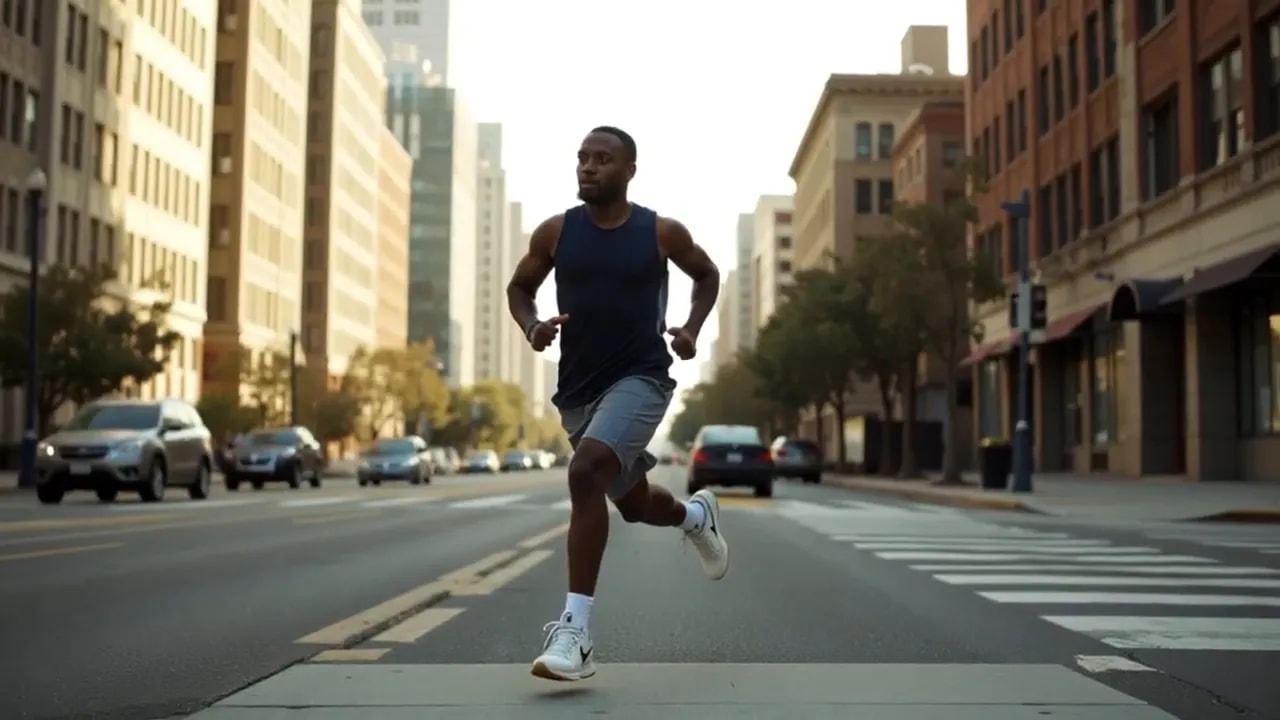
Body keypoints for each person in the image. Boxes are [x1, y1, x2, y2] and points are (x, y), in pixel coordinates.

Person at [505, 126, 728, 682]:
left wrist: (692, 332)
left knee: (586, 471)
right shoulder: (556, 232)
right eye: (582, 158)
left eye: (602, 159)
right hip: (578, 390)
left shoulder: (660, 233)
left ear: (629, 170)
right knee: (628, 503)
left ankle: (575, 634)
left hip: (642, 377)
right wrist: (532, 326)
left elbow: (707, 275)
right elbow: (519, 288)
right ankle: (694, 516)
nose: (588, 167)